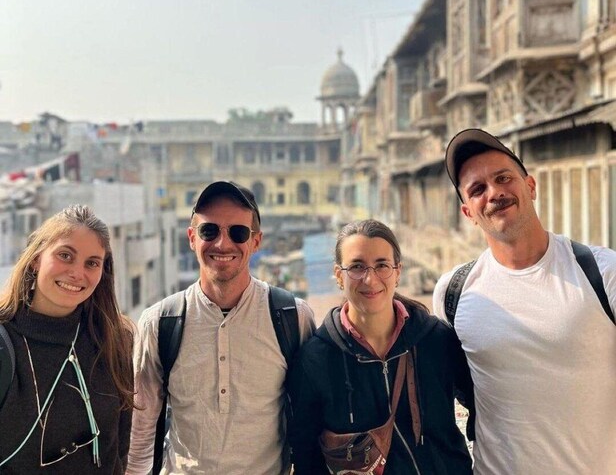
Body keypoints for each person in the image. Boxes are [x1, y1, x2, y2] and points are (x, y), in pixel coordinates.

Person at [433, 128, 616, 474]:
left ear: (530, 186)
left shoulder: (603, 272)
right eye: (478, 189)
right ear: (468, 212)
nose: (494, 193)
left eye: (503, 178)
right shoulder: (453, 292)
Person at [127, 181, 315, 475]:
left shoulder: (292, 317)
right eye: (209, 231)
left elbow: (311, 420)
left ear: (255, 241)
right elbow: (141, 431)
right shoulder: (160, 323)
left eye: (238, 232)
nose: (223, 244)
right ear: (192, 238)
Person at [289, 219, 473, 475]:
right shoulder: (316, 359)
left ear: (397, 272)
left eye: (382, 265)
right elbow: (306, 454)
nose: (370, 278)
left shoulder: (436, 340)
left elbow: (480, 404)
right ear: (339, 276)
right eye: (357, 266)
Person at [0, 204, 134, 474]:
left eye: (92, 263)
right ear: (36, 259)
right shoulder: (5, 343)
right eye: (65, 255)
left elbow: (119, 450)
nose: (77, 273)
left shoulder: (114, 340)